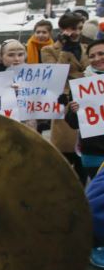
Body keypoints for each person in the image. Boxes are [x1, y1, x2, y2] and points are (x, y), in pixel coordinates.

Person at [41, 12, 90, 184]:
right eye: (72, 28)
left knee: (84, 156)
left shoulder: (86, 48)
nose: (76, 32)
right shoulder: (48, 50)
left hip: (85, 101)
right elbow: (56, 76)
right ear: (62, 30)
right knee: (64, 156)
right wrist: (66, 52)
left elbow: (89, 70)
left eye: (79, 28)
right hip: (64, 102)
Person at [65, 39, 104, 183]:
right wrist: (74, 111)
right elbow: (73, 123)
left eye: (101, 53)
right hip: (93, 154)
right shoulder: (82, 85)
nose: (97, 58)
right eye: (92, 56)